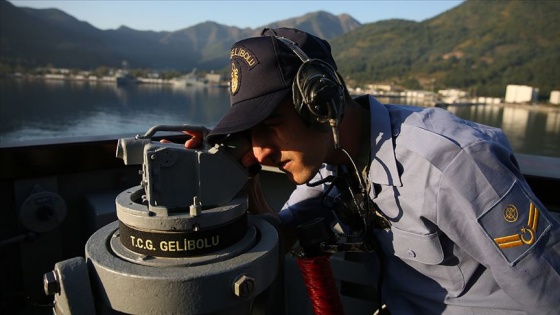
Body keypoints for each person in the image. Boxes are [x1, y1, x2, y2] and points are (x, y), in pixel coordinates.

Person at [184, 27, 560, 314]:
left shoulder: (452, 164)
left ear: (320, 104)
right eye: (250, 132)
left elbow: (549, 292)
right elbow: (283, 236)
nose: (261, 149)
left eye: (270, 124)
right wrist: (231, 171)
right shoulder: (330, 161)